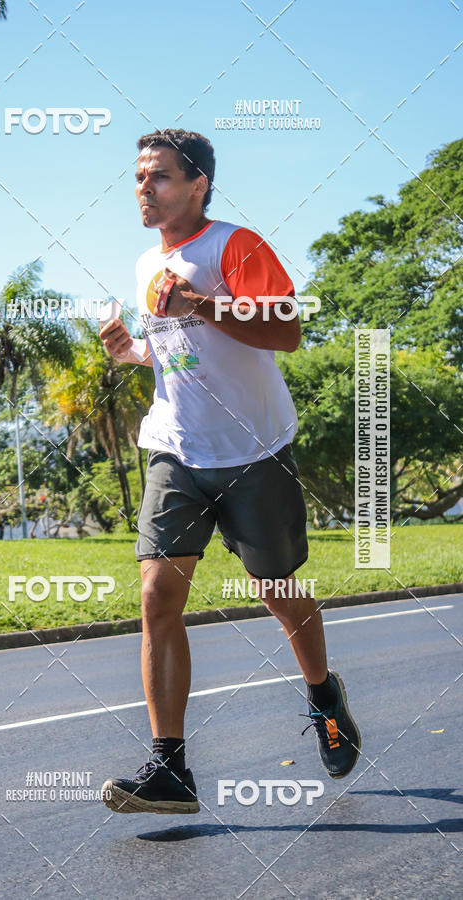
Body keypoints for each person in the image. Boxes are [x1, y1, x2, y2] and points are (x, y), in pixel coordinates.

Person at [99, 128, 360, 815]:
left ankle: (324, 694)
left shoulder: (232, 246)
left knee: (275, 590)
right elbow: (176, 355)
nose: (143, 189)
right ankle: (171, 771)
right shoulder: (142, 264)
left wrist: (202, 303)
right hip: (176, 448)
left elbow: (284, 329)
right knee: (157, 596)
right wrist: (133, 353)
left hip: (254, 450)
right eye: (138, 177)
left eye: (157, 176)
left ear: (198, 184)